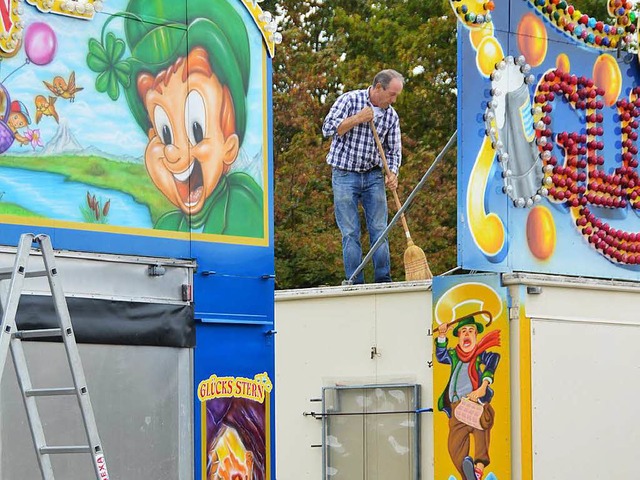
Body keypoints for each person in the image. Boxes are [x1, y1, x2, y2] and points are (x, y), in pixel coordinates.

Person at [92, 0, 264, 237]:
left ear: (230, 146)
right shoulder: (168, 227)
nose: (174, 151)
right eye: (164, 134)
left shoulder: (242, 203)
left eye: (197, 129)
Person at [322, 69, 404, 284]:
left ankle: (383, 280)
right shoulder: (349, 100)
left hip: (373, 177)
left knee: (379, 230)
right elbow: (328, 128)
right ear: (378, 87)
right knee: (350, 232)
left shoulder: (391, 115)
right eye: (392, 94)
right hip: (344, 175)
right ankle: (354, 281)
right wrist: (358, 118)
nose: (394, 100)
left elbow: (394, 150)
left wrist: (392, 173)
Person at [435, 314, 501, 480]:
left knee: (482, 428)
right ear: (458, 337)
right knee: (454, 446)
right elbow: (441, 356)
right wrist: (442, 335)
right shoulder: (455, 355)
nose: (466, 334)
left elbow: (494, 358)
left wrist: (483, 386)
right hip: (457, 408)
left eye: (470, 331)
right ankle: (469, 475)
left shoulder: (479, 354)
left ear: (475, 336)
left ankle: (478, 468)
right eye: (463, 331)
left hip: (475, 403)